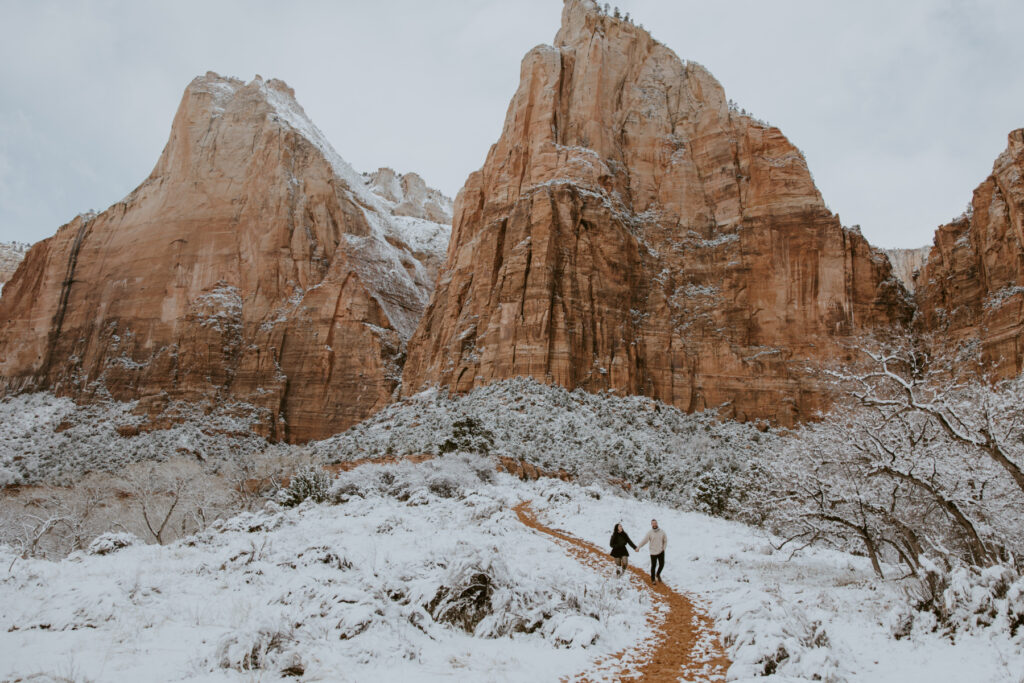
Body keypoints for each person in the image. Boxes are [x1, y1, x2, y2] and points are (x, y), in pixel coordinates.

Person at [636, 518, 667, 584]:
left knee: (662, 564)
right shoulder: (650, 533)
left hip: (661, 551)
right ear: (651, 524)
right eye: (653, 523)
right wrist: (638, 547)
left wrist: (664, 548)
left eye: (655, 523)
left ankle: (658, 574)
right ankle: (653, 579)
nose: (654, 524)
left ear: (657, 523)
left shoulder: (662, 532)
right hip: (653, 552)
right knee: (653, 566)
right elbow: (644, 541)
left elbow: (665, 540)